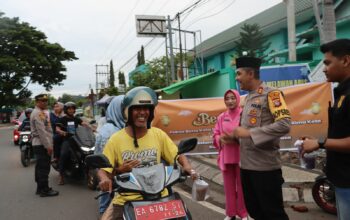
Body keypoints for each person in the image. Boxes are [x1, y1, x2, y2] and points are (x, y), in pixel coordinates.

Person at [97, 86, 198, 220]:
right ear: (128, 112)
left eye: (146, 109)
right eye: (137, 109)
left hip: (161, 197)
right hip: (127, 200)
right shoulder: (116, 139)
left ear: (151, 113)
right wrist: (107, 177)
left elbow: (177, 154)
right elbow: (103, 170)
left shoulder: (158, 135)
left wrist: (187, 166)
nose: (142, 113)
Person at [221, 56, 291, 220]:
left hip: (265, 169)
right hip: (246, 168)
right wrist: (234, 137)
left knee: (273, 215)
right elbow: (246, 131)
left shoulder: (272, 94)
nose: (237, 78)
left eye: (239, 74)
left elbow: (284, 125)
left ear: (250, 73)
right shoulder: (247, 99)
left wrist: (250, 134)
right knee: (255, 211)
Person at [301, 39, 350, 220]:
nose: (324, 69)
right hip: (341, 178)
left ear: (345, 60)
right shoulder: (342, 93)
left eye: (328, 63)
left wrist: (320, 143)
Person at [213, 89, 248, 220]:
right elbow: (215, 134)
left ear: (238, 99)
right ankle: (230, 213)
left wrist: (237, 138)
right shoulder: (221, 117)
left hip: (242, 156)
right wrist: (219, 139)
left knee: (242, 186)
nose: (230, 101)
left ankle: (243, 213)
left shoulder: (244, 115)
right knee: (228, 187)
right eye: (227, 98)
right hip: (226, 156)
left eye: (233, 98)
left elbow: (249, 133)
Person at [94, 95, 125, 215]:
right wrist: (117, 171)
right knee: (108, 206)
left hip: (131, 176)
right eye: (124, 109)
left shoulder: (132, 128)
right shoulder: (108, 131)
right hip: (113, 174)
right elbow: (104, 163)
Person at [30, 94, 59, 197]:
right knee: (44, 168)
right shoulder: (38, 113)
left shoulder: (40, 112)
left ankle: (40, 188)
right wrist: (48, 146)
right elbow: (42, 132)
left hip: (40, 144)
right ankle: (45, 190)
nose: (45, 102)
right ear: (37, 102)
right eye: (42, 101)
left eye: (46, 101)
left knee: (40, 167)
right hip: (42, 144)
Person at [56, 101, 89, 185]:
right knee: (64, 154)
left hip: (77, 140)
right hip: (67, 140)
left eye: (72, 109)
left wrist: (91, 127)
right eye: (69, 109)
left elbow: (83, 123)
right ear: (66, 110)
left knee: (87, 151)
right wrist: (61, 132)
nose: (71, 110)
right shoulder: (62, 119)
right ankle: (61, 175)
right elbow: (57, 128)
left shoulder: (76, 119)